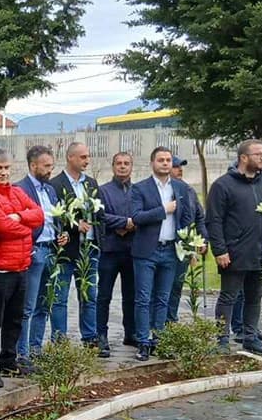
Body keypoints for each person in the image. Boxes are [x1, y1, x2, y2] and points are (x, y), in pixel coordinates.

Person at [0, 147, 44, 387]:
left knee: (14, 318)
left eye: (6, 168)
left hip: (19, 266)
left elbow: (39, 215)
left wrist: (20, 217)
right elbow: (1, 227)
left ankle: (9, 361)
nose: (3, 172)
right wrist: (26, 228)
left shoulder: (16, 192)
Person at [207, 139, 262, 355]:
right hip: (234, 252)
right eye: (258, 154)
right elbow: (214, 220)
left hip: (261, 251)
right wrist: (220, 250)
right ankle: (222, 340)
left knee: (254, 297)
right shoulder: (223, 185)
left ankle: (250, 337)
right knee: (228, 297)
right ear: (243, 158)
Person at [127, 147, 197, 360]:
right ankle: (143, 342)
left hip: (171, 250)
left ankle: (160, 340)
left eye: (168, 160)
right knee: (143, 298)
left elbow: (187, 217)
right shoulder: (140, 188)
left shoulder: (180, 187)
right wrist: (163, 210)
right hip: (147, 250)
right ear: (152, 163)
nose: (165, 163)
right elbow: (136, 217)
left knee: (163, 298)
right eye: (161, 160)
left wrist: (189, 245)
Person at [15, 145, 68, 365]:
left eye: (51, 166)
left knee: (44, 304)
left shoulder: (50, 190)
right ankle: (22, 353)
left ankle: (36, 348)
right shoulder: (20, 189)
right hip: (34, 251)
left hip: (52, 251)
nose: (50, 170)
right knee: (27, 306)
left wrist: (61, 233)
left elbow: (54, 217)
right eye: (46, 166)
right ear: (33, 165)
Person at [49, 141, 100, 346]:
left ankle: (90, 337)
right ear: (70, 157)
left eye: (88, 156)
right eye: (83, 157)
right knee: (60, 297)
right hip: (66, 250)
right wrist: (74, 226)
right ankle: (59, 341)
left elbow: (99, 213)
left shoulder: (91, 183)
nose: (87, 160)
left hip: (89, 249)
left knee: (89, 295)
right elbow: (53, 217)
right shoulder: (56, 184)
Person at [96, 151, 138, 355]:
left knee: (131, 295)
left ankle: (131, 333)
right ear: (113, 166)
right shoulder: (102, 191)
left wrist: (132, 224)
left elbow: (143, 215)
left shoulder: (138, 191)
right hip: (110, 250)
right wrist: (124, 223)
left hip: (133, 250)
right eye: (119, 163)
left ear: (131, 167)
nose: (122, 166)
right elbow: (100, 216)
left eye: (126, 163)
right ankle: (101, 336)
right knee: (104, 295)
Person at [166, 156, 208, 323]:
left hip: (184, 246)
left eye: (180, 166)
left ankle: (171, 320)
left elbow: (199, 217)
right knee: (162, 287)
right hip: (164, 244)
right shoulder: (161, 189)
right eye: (176, 166)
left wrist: (203, 239)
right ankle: (157, 324)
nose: (180, 169)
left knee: (177, 284)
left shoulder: (189, 190)